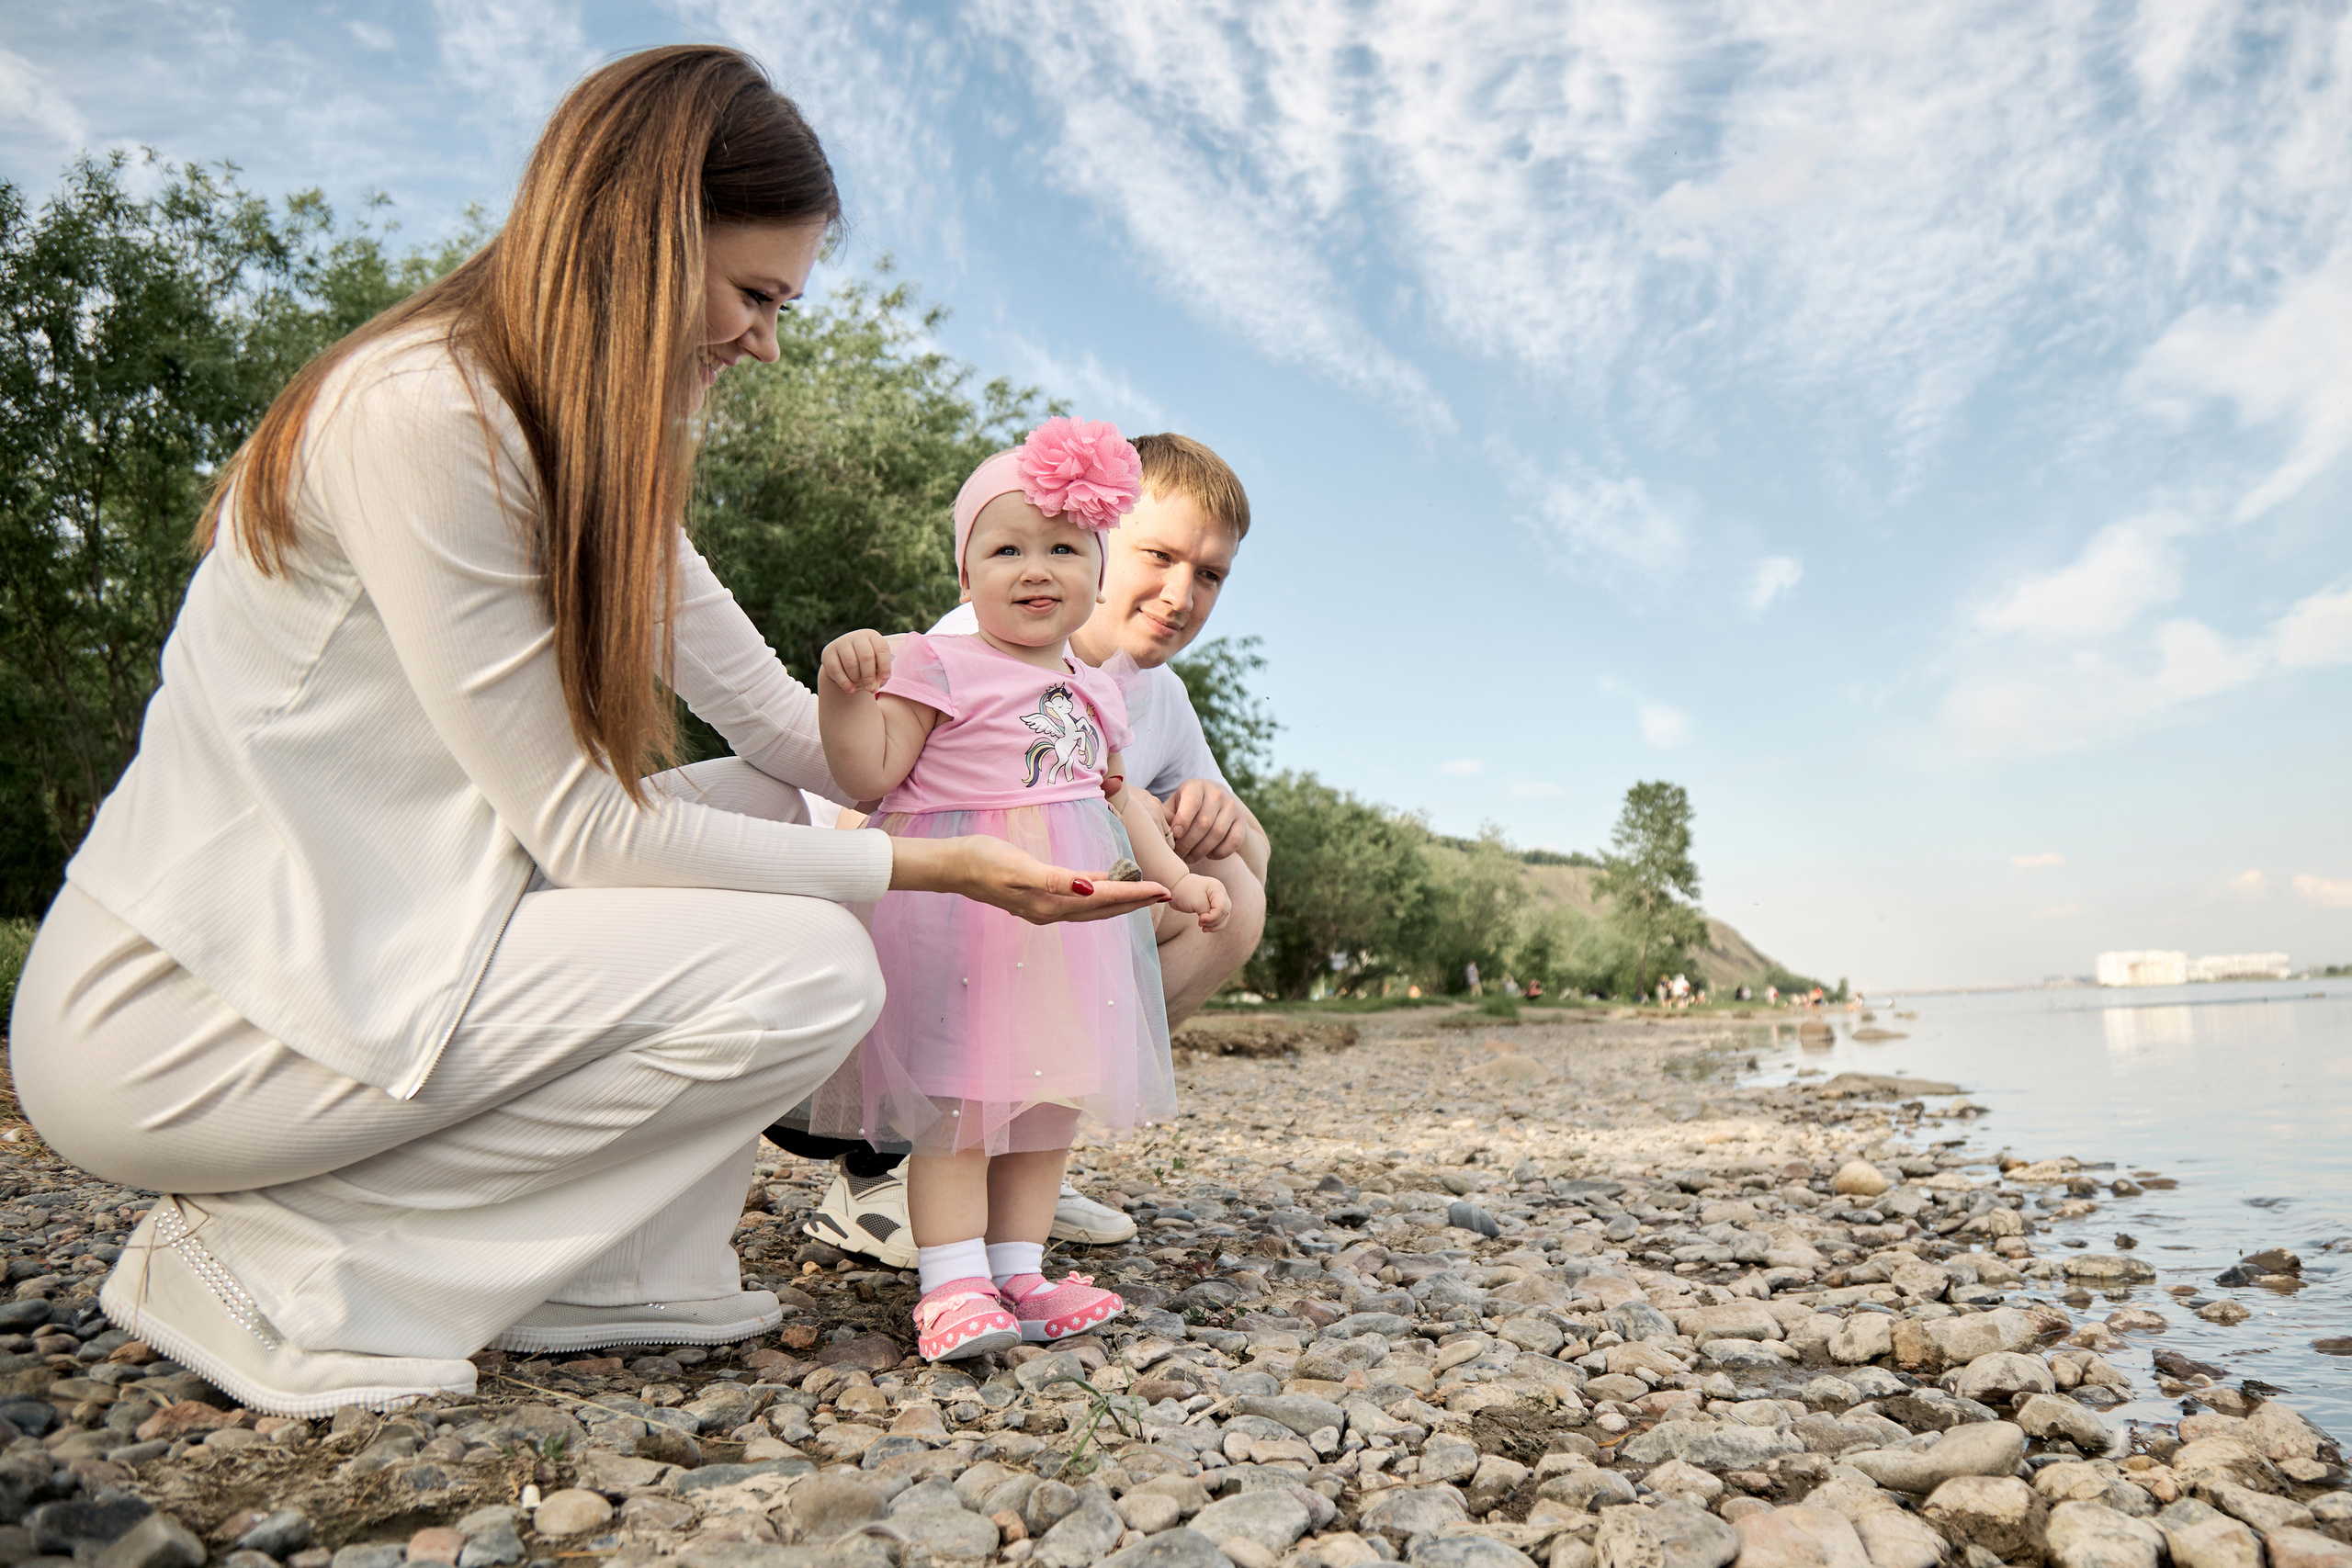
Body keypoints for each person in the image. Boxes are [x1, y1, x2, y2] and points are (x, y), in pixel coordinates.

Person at [4, 48, 1166, 1416]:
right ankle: (278, 1263)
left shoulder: (591, 457)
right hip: (192, 1012)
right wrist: (939, 868)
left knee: (775, 812)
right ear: (636, 233)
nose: (766, 342)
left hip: (386, 942)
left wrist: (978, 763)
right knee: (808, 966)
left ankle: (601, 1261)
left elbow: (794, 743)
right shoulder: (425, 413)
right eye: (752, 294)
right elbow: (585, 829)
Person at [785, 434, 1268, 1264]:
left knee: (1229, 888)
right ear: (1103, 533)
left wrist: (1212, 812)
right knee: (1011, 929)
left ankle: (1022, 1155)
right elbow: (861, 814)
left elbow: (1249, 847)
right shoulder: (974, 644)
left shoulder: (1147, 694)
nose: (1181, 594)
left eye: (1210, 574)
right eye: (1158, 554)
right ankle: (881, 1169)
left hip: (1023, 951)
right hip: (868, 979)